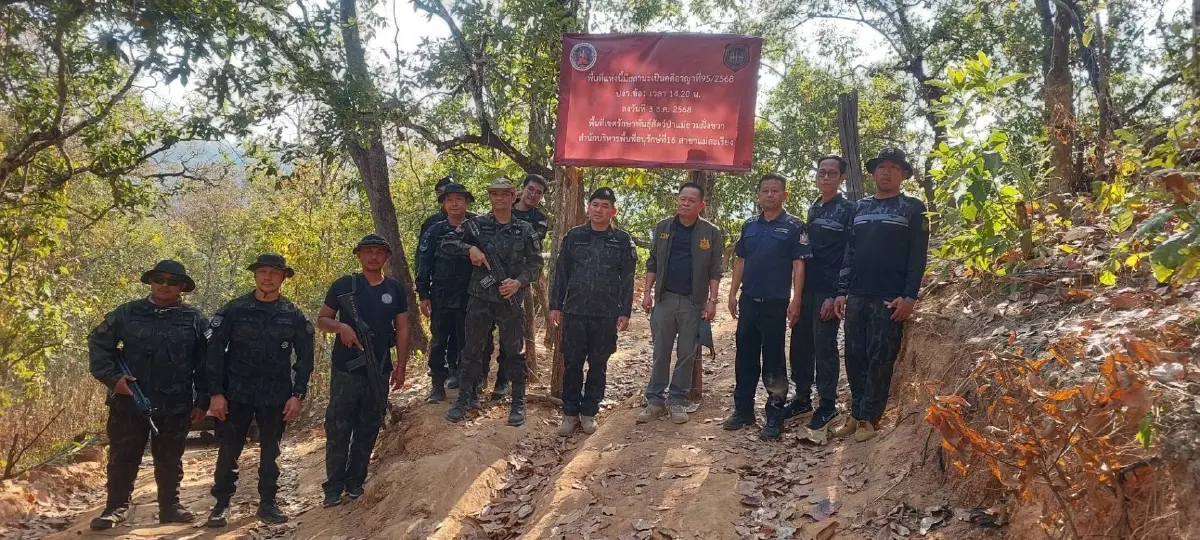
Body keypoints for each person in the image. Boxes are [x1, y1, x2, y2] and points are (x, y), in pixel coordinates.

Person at [88, 260, 209, 530]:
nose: (164, 285)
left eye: (172, 281)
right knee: (123, 455)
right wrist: (113, 378)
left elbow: (205, 363)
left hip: (175, 401)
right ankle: (116, 507)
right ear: (151, 281)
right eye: (159, 279)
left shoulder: (194, 319)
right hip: (129, 399)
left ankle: (170, 506)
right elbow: (98, 343)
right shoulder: (127, 313)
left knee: (170, 456)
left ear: (182, 287)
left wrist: (203, 400)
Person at [205, 254, 314, 526]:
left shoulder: (293, 314)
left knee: (271, 450)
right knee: (229, 448)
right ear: (255, 275)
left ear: (283, 278)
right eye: (263, 272)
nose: (268, 277)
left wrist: (297, 394)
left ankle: (268, 503)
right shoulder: (234, 309)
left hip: (275, 395)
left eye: (274, 273)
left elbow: (305, 357)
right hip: (236, 393)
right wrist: (216, 393)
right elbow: (214, 353)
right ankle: (221, 504)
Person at [831, 148, 929, 442]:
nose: (886, 172)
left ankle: (869, 420)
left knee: (880, 358)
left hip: (890, 297)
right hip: (858, 294)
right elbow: (850, 252)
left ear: (904, 174)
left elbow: (917, 257)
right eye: (881, 167)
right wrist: (841, 291)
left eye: (894, 167)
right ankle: (855, 414)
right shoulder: (858, 208)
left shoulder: (913, 208)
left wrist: (909, 296)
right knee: (855, 356)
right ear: (873, 174)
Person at [317, 234, 410, 507]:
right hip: (345, 369)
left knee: (369, 426)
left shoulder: (395, 289)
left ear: (386, 258)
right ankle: (333, 487)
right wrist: (342, 328)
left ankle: (355, 481)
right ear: (358, 255)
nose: (373, 257)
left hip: (379, 368)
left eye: (378, 252)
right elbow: (323, 319)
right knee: (338, 427)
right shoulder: (344, 285)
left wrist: (401, 365)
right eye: (367, 252)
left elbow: (402, 328)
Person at [443, 178, 543, 426]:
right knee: (472, 350)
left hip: (510, 299)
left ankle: (518, 402)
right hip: (480, 298)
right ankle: (464, 399)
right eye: (494, 194)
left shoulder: (525, 230)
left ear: (513, 196)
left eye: (504, 194)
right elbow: (447, 242)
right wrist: (470, 250)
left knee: (514, 353)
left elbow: (536, 264)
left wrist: (519, 282)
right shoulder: (476, 225)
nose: (499, 198)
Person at [725, 173, 811, 440]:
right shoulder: (749, 225)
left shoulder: (795, 226)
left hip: (776, 304)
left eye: (775, 191)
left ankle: (774, 416)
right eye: (765, 191)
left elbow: (799, 265)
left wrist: (796, 299)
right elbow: (740, 260)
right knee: (745, 357)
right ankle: (743, 411)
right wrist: (732, 293)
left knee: (773, 361)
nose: (770, 195)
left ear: (784, 195)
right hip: (750, 302)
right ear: (759, 195)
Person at [550, 187, 637, 436]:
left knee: (598, 364)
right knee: (573, 363)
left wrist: (625, 312)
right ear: (589, 208)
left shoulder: (621, 240)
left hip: (606, 313)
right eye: (595, 204)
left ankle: (588, 413)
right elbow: (562, 274)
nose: (598, 210)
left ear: (613, 211)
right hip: (575, 311)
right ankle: (569, 414)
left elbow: (627, 279)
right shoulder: (574, 236)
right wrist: (556, 305)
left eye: (604, 206)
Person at [637, 182, 724, 425]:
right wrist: (647, 292)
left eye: (691, 200)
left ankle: (677, 400)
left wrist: (712, 301)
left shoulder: (710, 232)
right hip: (664, 299)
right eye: (682, 199)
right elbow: (652, 262)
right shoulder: (664, 227)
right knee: (660, 351)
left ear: (701, 205)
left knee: (687, 353)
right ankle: (654, 400)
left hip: (692, 302)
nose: (685, 203)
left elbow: (715, 269)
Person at [786, 156, 856, 432]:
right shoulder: (814, 208)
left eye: (832, 174)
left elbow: (849, 254)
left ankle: (827, 406)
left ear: (842, 179)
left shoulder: (848, 210)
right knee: (800, 344)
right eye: (822, 173)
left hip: (828, 291)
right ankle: (802, 398)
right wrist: (797, 294)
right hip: (807, 288)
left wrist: (836, 294)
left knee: (824, 348)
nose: (825, 177)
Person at [480, 173, 550, 400]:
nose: (533, 195)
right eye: (531, 189)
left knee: (510, 337)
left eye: (539, 193)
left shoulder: (539, 219)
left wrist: (518, 280)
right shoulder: (497, 212)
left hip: (517, 282)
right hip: (489, 283)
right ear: (521, 190)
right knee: (482, 332)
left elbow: (532, 251)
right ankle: (479, 378)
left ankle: (502, 380)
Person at [416, 183, 476, 402]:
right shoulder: (434, 231)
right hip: (441, 295)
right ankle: (437, 385)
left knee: (467, 340)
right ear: (443, 204)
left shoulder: (477, 227)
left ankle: (468, 386)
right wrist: (423, 295)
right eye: (449, 199)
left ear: (466, 202)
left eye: (459, 199)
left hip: (470, 295)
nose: (454, 203)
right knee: (439, 341)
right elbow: (424, 263)